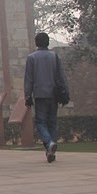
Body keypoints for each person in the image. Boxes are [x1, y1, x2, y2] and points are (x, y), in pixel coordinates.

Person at [24, 32, 70, 163]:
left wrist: (27, 95)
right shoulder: (54, 57)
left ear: (36, 43)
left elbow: (29, 79)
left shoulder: (32, 58)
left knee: (41, 123)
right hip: (53, 94)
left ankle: (49, 143)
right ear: (48, 42)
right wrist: (66, 92)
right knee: (52, 123)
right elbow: (61, 77)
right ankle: (50, 150)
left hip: (40, 95)